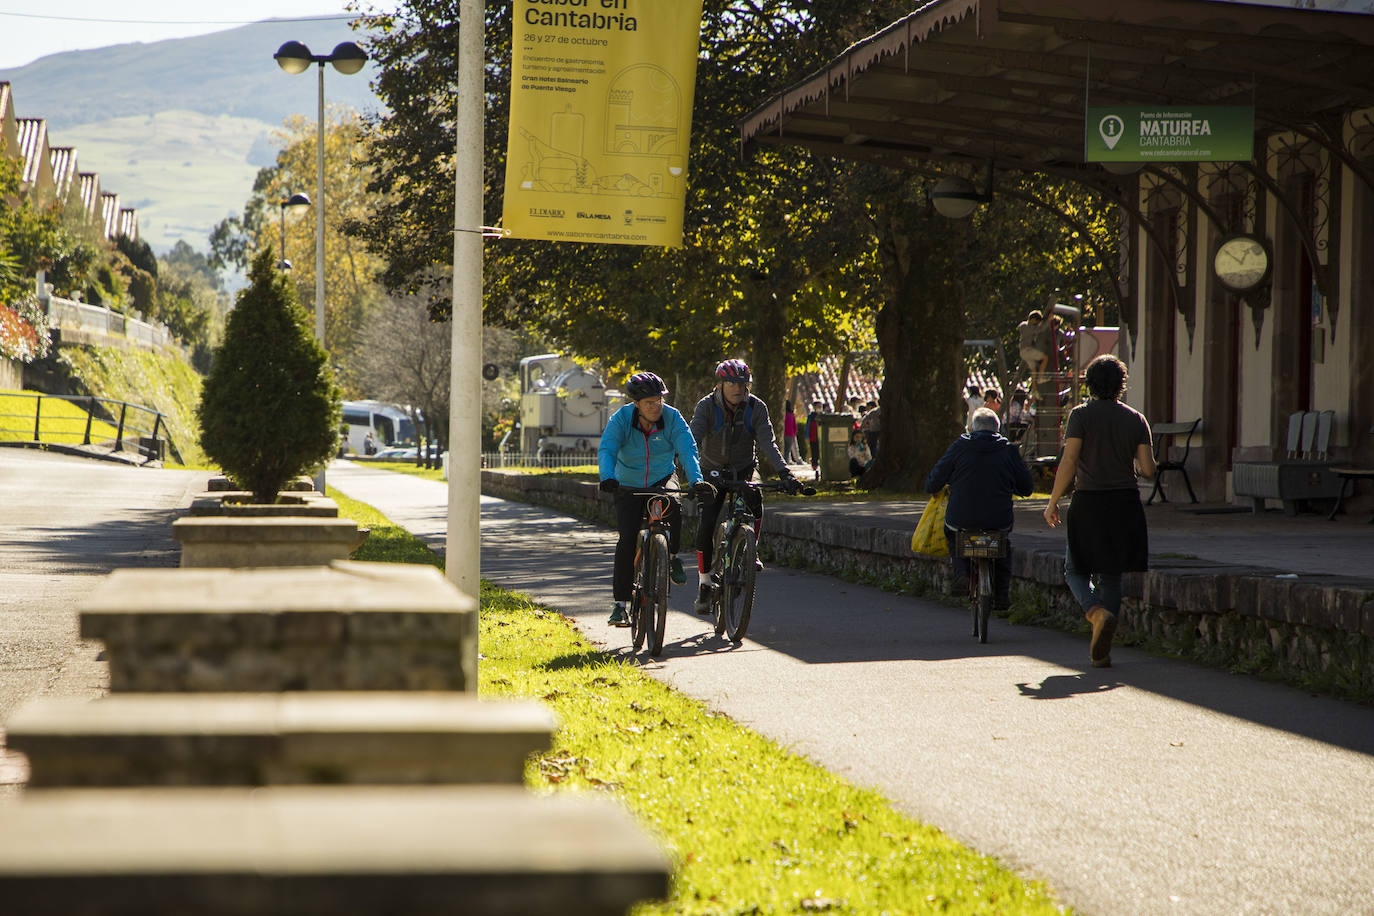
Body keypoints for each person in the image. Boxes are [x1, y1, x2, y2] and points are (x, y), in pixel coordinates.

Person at [1043, 354, 1155, 668]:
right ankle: (1101, 651)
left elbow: (1069, 461)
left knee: (1074, 569)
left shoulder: (1080, 415)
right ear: (1121, 384)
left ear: (1089, 383)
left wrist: (1052, 502)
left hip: (1089, 501)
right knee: (1112, 576)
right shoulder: (1136, 418)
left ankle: (1095, 613)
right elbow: (1147, 470)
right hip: (1125, 503)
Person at [598, 371, 712, 627]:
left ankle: (671, 557)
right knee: (627, 539)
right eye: (649, 403)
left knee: (673, 503)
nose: (655, 406)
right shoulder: (622, 419)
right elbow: (607, 448)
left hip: (662, 477)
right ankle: (620, 606)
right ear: (636, 404)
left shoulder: (672, 417)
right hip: (627, 481)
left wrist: (696, 480)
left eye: (658, 400)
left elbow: (687, 448)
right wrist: (607, 476)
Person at [689, 359, 803, 614]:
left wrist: (785, 473)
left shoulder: (756, 408)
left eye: (743, 383)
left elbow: (768, 443)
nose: (738, 388)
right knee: (707, 522)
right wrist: (690, 472)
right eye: (732, 383)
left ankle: (752, 548)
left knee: (755, 499)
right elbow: (693, 439)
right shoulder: (706, 407)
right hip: (712, 468)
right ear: (720, 384)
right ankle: (705, 582)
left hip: (744, 467)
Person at [925, 408, 1033, 609]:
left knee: (952, 534)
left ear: (972, 428)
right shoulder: (1008, 450)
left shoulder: (959, 446)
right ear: (997, 429)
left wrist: (933, 487)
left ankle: (961, 574)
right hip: (998, 519)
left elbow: (936, 476)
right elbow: (1027, 487)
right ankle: (1001, 594)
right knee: (1003, 546)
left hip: (961, 518)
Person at [806, 400, 824, 474]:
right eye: (818, 406)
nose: (819, 408)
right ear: (814, 407)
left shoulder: (823, 416)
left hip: (821, 438)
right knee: (814, 451)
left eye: (820, 406)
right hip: (813, 437)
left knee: (821, 452)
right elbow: (808, 427)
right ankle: (814, 465)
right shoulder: (811, 416)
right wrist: (807, 436)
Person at [782, 399, 802, 464]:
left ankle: (785, 461)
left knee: (785, 449)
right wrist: (795, 433)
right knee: (788, 449)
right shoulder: (791, 415)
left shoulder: (782, 415)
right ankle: (787, 460)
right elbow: (794, 425)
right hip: (790, 434)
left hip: (784, 434)